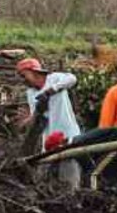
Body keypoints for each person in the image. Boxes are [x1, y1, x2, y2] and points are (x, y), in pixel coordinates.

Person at [17, 58, 80, 188]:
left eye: (24, 76)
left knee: (69, 177)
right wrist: (28, 121)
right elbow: (37, 117)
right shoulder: (31, 93)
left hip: (68, 135)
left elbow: (72, 79)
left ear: (34, 71)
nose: (23, 80)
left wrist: (52, 90)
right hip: (49, 141)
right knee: (42, 182)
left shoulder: (54, 78)